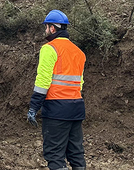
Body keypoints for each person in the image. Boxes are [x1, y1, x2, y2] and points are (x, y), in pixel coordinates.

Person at [26, 10, 86, 170]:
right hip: (76, 108)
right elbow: (79, 84)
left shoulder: (49, 49)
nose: (45, 30)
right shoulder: (79, 52)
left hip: (56, 110)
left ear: (53, 28)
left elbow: (43, 81)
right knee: (76, 154)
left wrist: (33, 107)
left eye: (46, 27)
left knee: (55, 155)